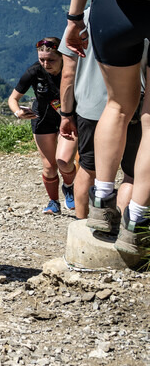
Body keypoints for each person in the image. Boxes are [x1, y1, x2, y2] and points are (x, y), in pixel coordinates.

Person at [64, 0, 150, 258]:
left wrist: (74, 19)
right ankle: (138, 221)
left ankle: (101, 203)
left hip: (114, 6)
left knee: (118, 106)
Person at [57, 17, 142, 219]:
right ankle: (122, 229)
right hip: (132, 107)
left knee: (88, 169)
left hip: (91, 107)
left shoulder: (81, 21)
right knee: (131, 175)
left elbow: (68, 74)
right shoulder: (140, 14)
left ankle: (83, 225)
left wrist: (66, 115)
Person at [7, 37, 78, 214]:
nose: (46, 64)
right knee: (49, 167)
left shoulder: (73, 69)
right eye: (42, 60)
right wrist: (18, 112)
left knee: (64, 162)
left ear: (62, 56)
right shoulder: (34, 71)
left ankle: (69, 187)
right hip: (42, 119)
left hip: (68, 119)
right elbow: (13, 98)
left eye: (51, 60)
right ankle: (54, 202)